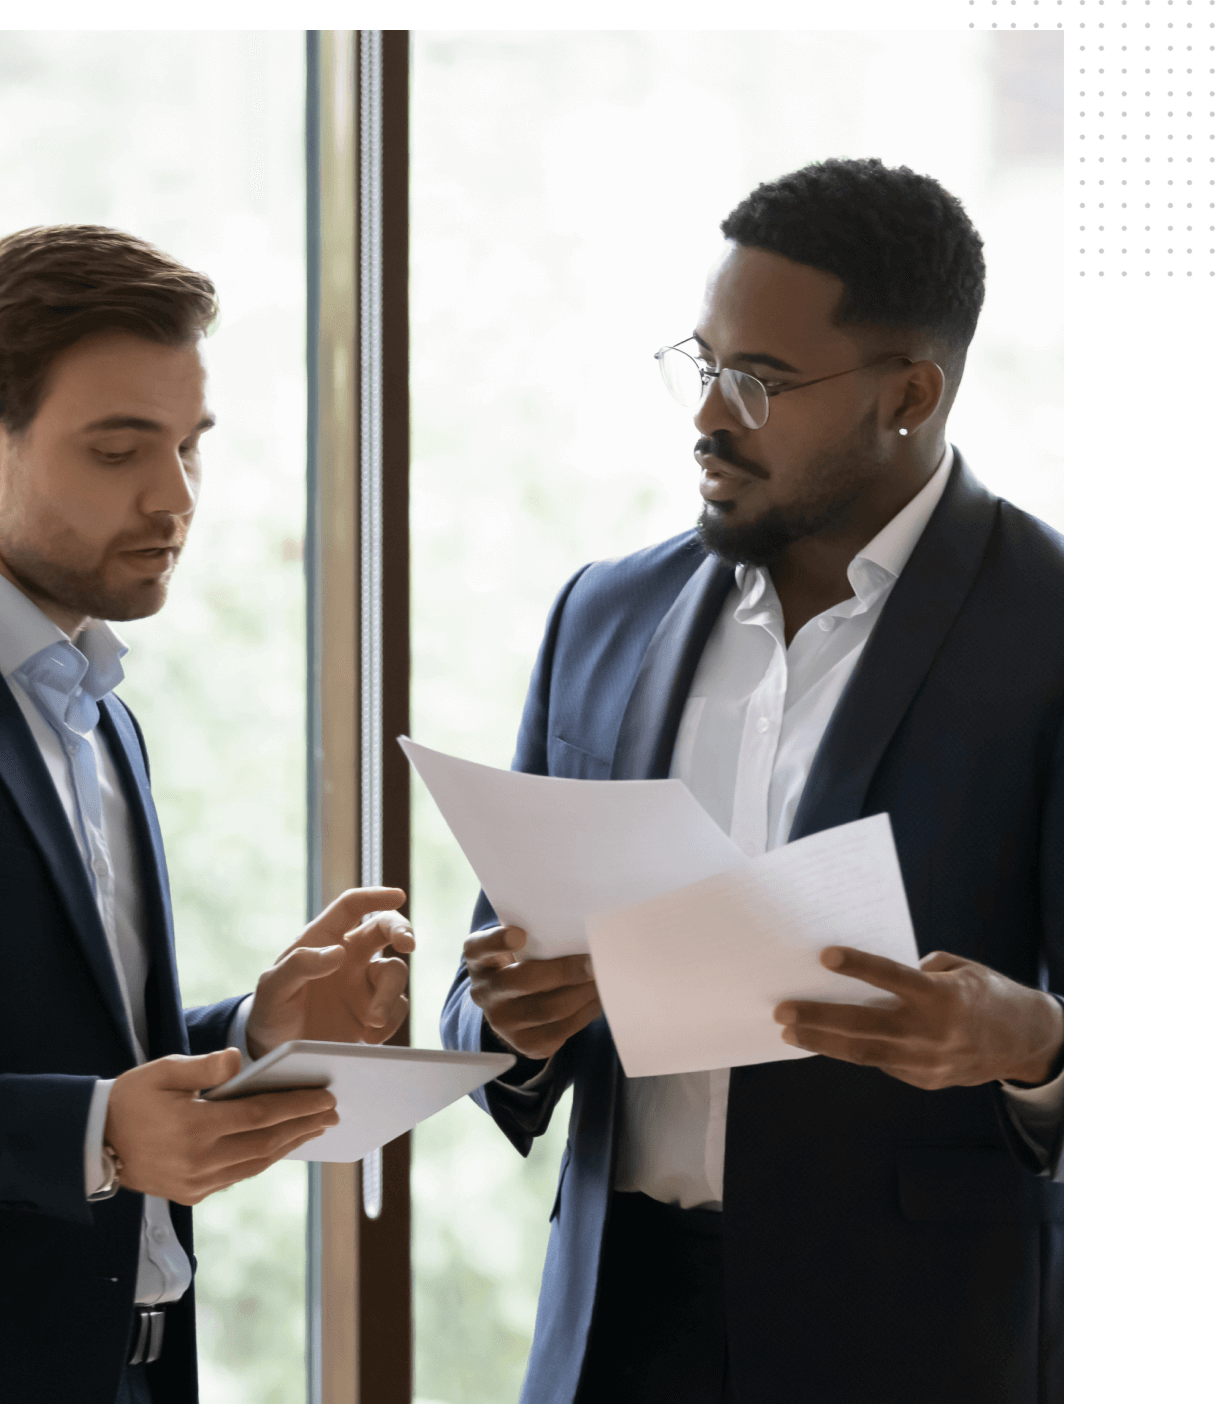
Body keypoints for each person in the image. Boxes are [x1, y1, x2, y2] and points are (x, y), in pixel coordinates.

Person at [441, 159, 1063, 1404]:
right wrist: (503, 1030)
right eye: (703, 363)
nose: (708, 416)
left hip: (915, 1340)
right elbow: (485, 983)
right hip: (617, 1325)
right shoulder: (602, 614)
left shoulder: (1048, 628)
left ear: (910, 392)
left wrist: (1031, 1045)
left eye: (759, 382)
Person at [0, 226, 414, 1404]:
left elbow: (52, 1043)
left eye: (190, 447)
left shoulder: (101, 710)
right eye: (121, 448)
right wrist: (93, 1139)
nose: (175, 497)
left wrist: (255, 1029)